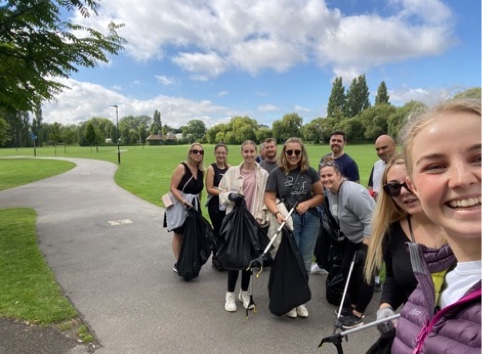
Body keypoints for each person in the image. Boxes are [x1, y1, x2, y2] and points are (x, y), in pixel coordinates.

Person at [392, 98, 481, 353]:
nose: (461, 179)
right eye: (435, 166)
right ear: (414, 188)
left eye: (479, 158)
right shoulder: (428, 285)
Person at [364, 154, 445, 334]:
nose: (403, 192)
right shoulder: (392, 231)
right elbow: (394, 277)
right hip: (418, 333)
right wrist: (385, 306)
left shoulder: (460, 225)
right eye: (393, 187)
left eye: (410, 183)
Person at [264, 137, 325, 318]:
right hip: (290, 221)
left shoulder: (310, 172)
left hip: (311, 220)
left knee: (305, 262)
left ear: (302, 153)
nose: (293, 155)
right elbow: (268, 198)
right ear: (284, 153)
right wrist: (277, 213)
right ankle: (289, 299)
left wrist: (308, 203)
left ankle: (300, 300)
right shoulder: (276, 173)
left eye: (297, 152)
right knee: (291, 261)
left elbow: (320, 195)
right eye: (289, 152)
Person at [319, 157, 375, 329]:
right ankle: (352, 305)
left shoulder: (353, 192)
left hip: (372, 237)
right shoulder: (330, 191)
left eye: (330, 175)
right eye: (323, 176)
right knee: (346, 269)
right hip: (353, 237)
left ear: (339, 175)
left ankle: (358, 314)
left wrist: (365, 248)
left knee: (365, 273)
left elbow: (371, 220)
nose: (326, 179)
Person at [218, 140, 269, 312]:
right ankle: (230, 294)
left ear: (256, 152)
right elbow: (221, 191)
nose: (249, 155)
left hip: (253, 220)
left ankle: (245, 293)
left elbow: (264, 198)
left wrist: (261, 217)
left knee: (248, 259)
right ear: (241, 153)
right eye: (245, 151)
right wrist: (231, 196)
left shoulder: (263, 174)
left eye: (251, 151)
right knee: (235, 257)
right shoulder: (232, 172)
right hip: (235, 221)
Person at [166, 143, 205, 273]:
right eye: (195, 151)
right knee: (179, 233)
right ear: (190, 153)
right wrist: (183, 201)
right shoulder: (182, 168)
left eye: (201, 152)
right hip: (179, 204)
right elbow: (172, 187)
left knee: (190, 233)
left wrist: (198, 204)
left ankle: (187, 258)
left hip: (193, 206)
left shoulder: (201, 171)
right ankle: (179, 262)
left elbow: (199, 191)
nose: (198, 154)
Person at [205, 142, 230, 271]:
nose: (221, 155)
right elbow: (209, 189)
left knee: (227, 232)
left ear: (226, 154)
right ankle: (217, 259)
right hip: (215, 205)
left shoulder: (229, 168)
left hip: (226, 205)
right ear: (215, 153)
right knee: (219, 231)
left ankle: (226, 258)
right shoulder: (211, 169)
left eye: (223, 153)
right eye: (218, 152)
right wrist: (225, 193)